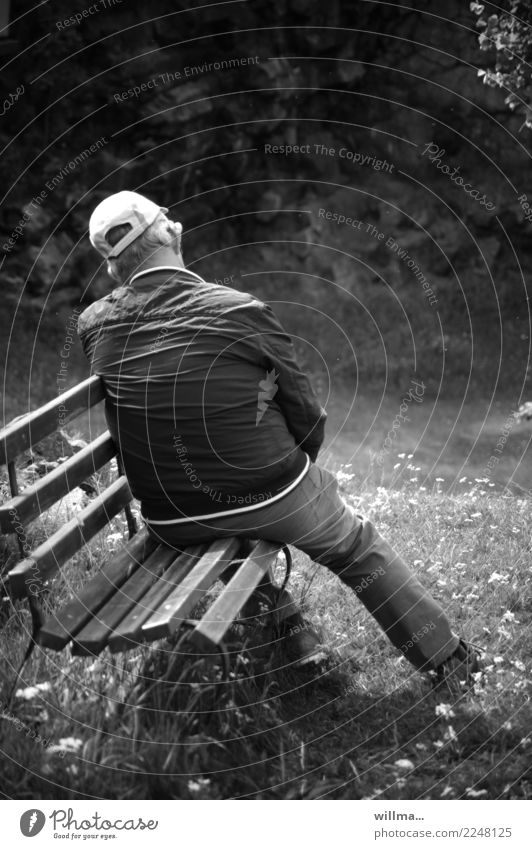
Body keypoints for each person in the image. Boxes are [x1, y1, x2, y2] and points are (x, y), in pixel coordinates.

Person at [80, 190, 481, 685]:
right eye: (166, 217)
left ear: (114, 265)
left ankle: (289, 626)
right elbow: (304, 409)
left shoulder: (94, 323)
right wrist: (298, 469)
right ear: (167, 232)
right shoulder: (236, 308)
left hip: (171, 514)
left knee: (223, 506)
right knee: (355, 545)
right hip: (269, 492)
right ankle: (450, 662)